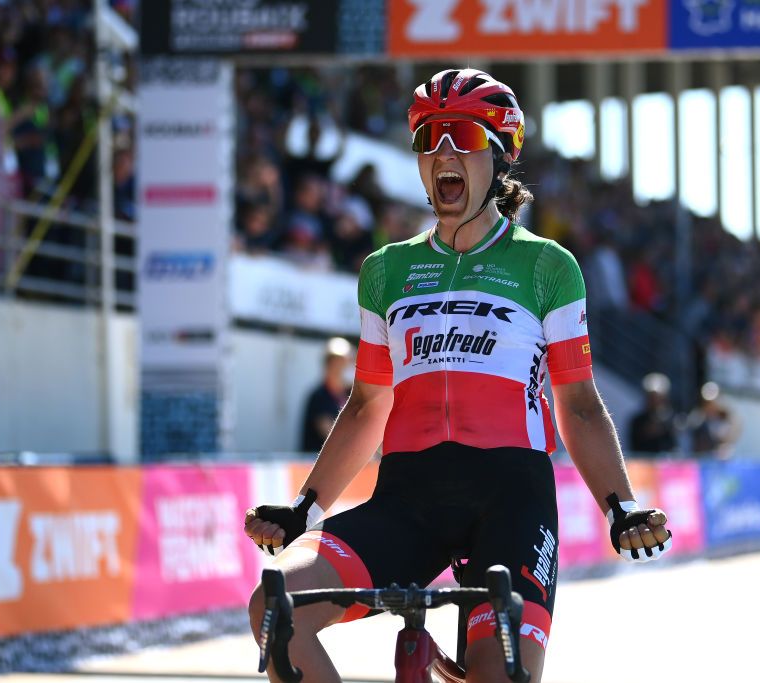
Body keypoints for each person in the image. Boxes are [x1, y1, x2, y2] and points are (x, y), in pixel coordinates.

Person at [244, 68, 671, 683]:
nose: (443, 154)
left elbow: (578, 405)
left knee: (497, 673)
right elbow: (368, 406)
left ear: (499, 160)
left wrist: (621, 508)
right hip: (407, 498)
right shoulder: (386, 270)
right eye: (429, 140)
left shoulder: (547, 266)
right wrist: (305, 509)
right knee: (273, 608)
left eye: (463, 138)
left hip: (511, 500)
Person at [299, 338, 353, 453]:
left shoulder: (350, 394)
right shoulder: (318, 396)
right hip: (316, 464)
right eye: (336, 362)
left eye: (345, 362)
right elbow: (330, 434)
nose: (340, 367)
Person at [628, 373, 678, 455]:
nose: (654, 401)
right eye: (651, 397)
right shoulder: (637, 421)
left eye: (657, 397)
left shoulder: (671, 419)